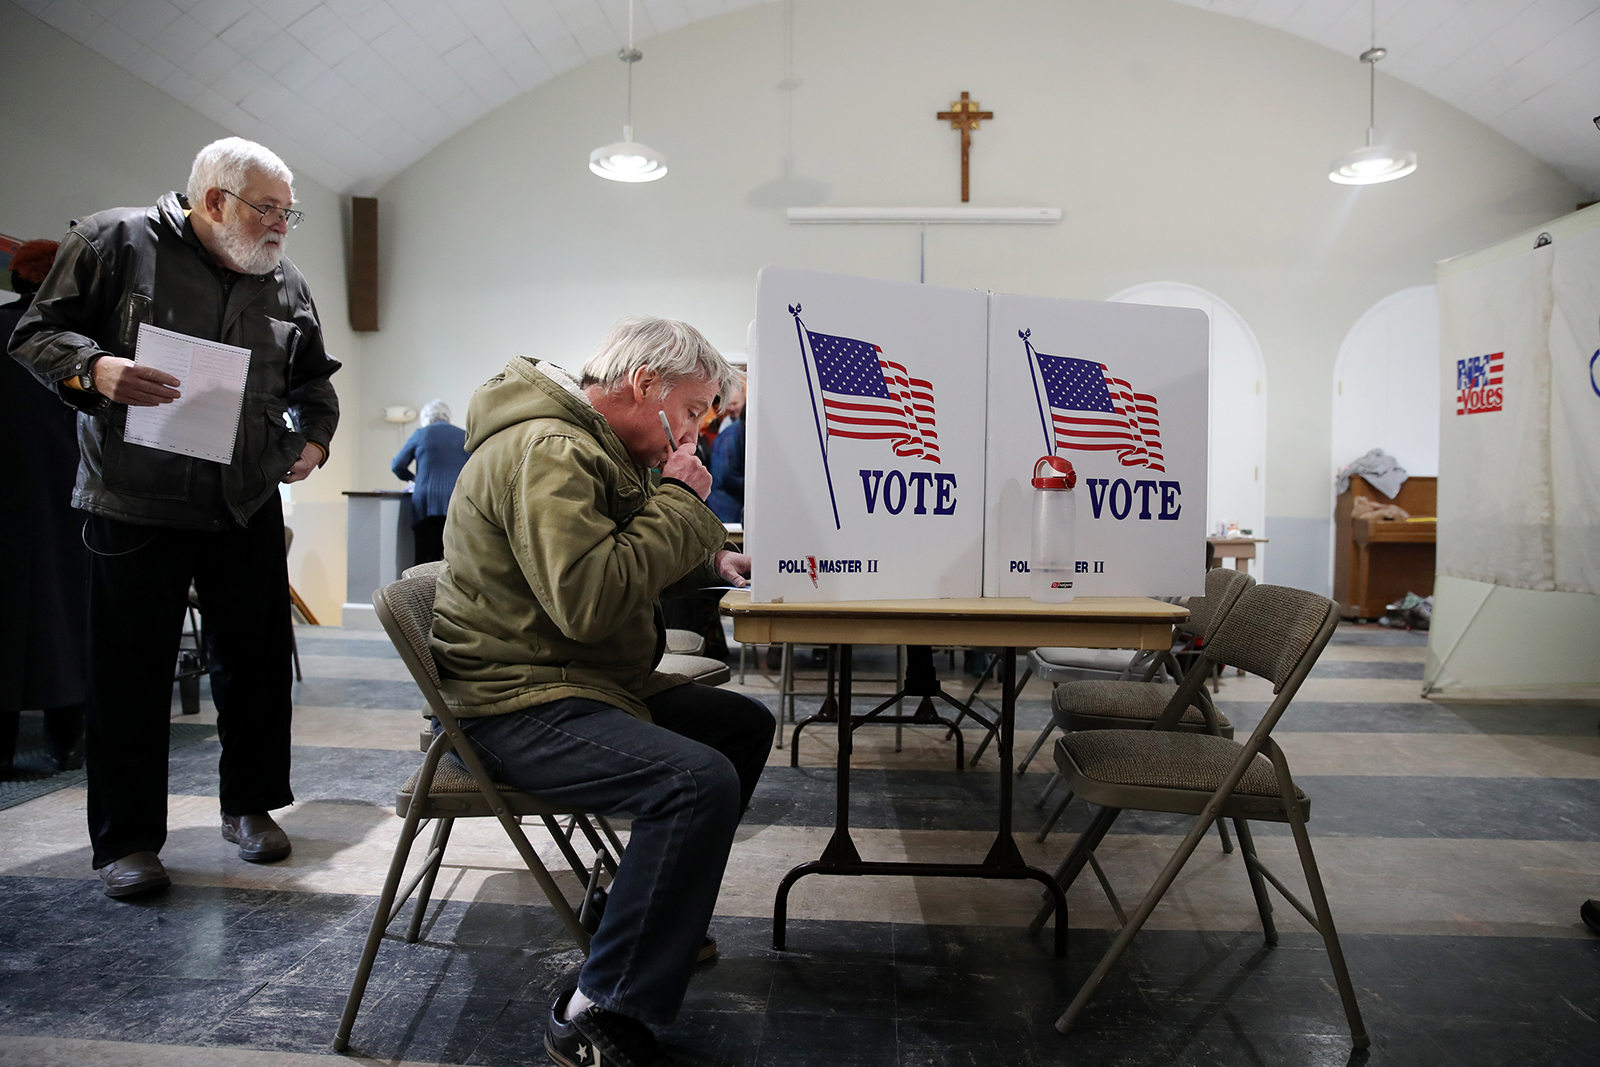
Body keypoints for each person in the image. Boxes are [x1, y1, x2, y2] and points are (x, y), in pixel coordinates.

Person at [430, 317, 773, 1067]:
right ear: (646, 385)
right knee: (694, 780)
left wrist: (709, 557)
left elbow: (611, 554)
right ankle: (595, 1004)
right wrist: (684, 506)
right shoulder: (550, 449)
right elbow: (588, 598)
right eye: (691, 411)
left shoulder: (591, 448)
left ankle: (638, 912)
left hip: (574, 679)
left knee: (740, 726)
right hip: (513, 700)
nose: (693, 433)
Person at [8, 137, 341, 899]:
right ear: (214, 199)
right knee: (130, 674)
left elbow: (314, 383)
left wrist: (314, 440)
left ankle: (248, 806)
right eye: (268, 209)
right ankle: (128, 841)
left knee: (255, 665)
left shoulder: (284, 282)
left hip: (243, 500)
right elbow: (33, 335)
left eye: (289, 213)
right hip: (134, 498)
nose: (281, 226)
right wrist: (96, 369)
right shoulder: (113, 242)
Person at [0, 239, 86, 778]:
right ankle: (66, 743)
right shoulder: (79, 345)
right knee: (69, 621)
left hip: (7, 509)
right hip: (69, 503)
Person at [391, 398, 467, 565]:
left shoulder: (421, 434)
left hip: (426, 504)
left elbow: (397, 465)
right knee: (455, 561)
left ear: (425, 417)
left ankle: (424, 591)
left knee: (425, 560)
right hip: (457, 504)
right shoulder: (463, 436)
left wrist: (414, 478)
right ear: (447, 416)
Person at [705, 382, 745, 523]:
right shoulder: (732, 432)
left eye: (735, 403)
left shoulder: (733, 428)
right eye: (728, 404)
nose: (731, 408)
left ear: (744, 401)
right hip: (727, 510)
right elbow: (727, 474)